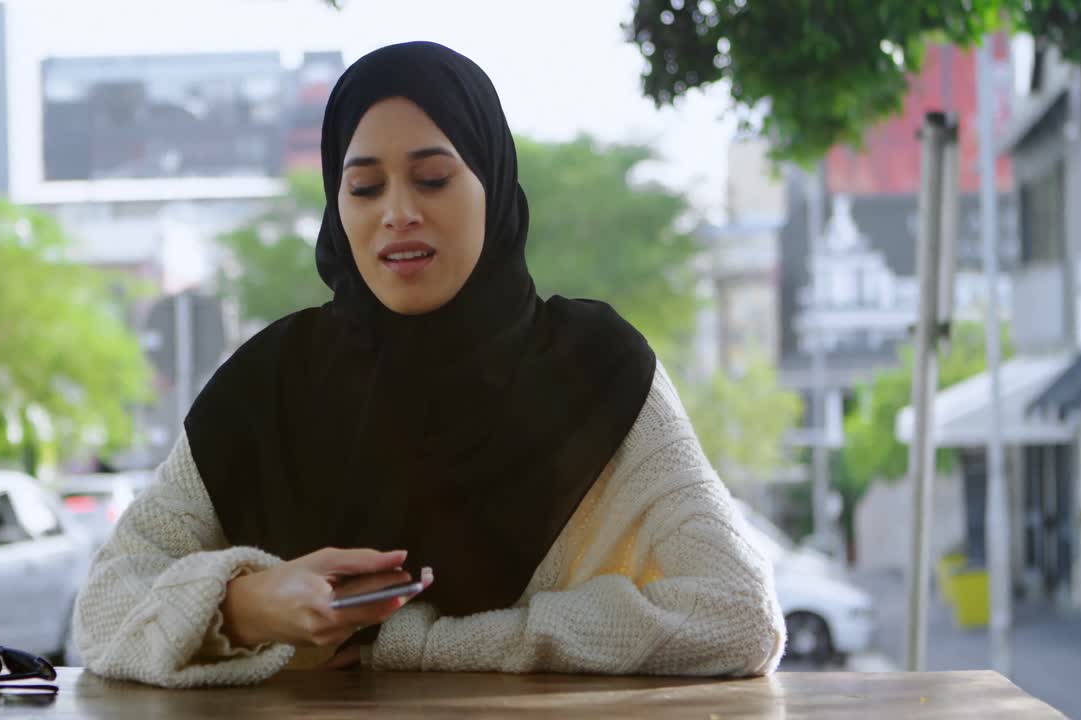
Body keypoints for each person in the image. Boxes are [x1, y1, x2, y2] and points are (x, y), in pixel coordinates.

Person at [73, 41, 784, 688]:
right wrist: (245, 604)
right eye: (365, 187)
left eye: (433, 179)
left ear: (492, 186)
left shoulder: (595, 370)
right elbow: (101, 611)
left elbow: (738, 612)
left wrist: (429, 645)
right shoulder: (272, 383)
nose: (398, 213)